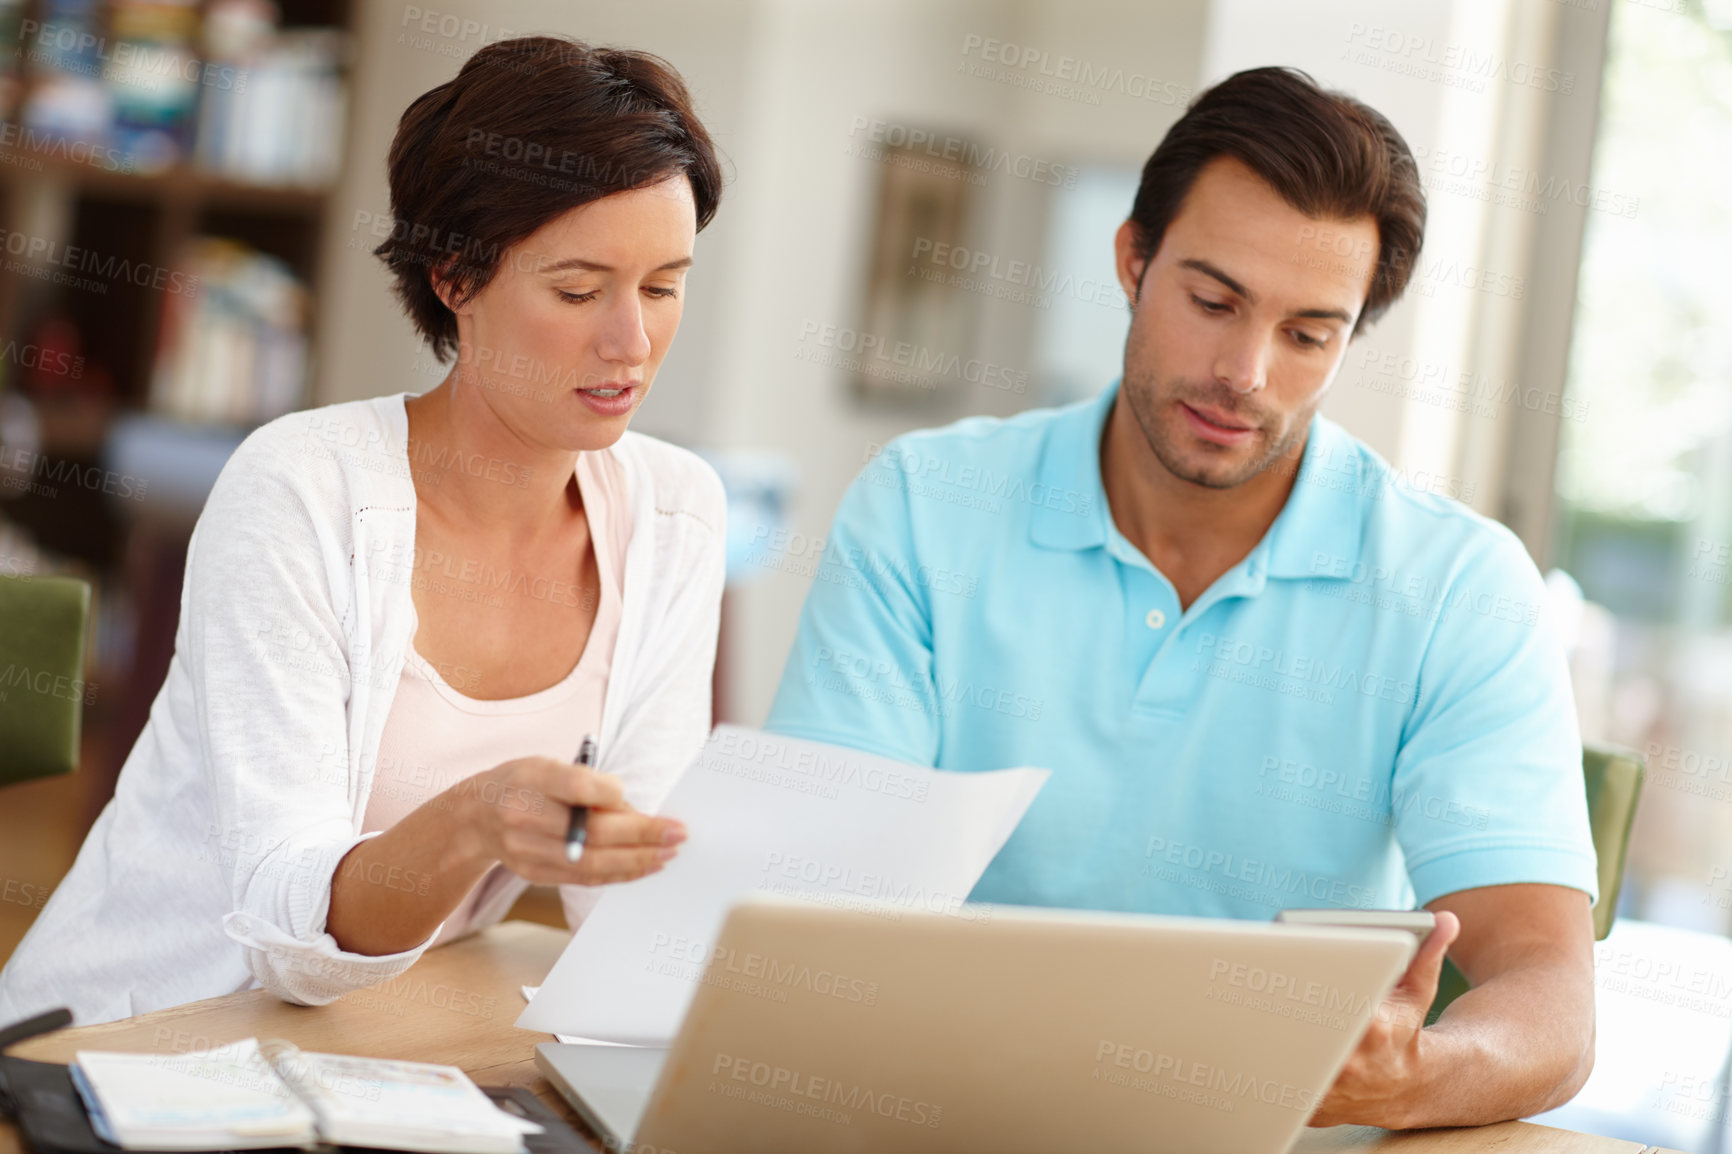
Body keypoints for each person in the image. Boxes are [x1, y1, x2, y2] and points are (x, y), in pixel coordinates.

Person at [766, 67, 1596, 1129]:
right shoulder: (926, 504)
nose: (1244, 370)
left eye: (1307, 334)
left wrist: (1416, 1072)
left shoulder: (1457, 586)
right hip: (945, 1114)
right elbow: (821, 893)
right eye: (1212, 302)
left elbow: (1548, 989)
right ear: (1131, 259)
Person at [0, 35, 726, 1026]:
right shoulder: (301, 487)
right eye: (576, 290)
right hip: (134, 1035)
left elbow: (626, 879)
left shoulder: (675, 512)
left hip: (374, 1037)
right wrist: (482, 818)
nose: (629, 344)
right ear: (454, 278)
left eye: (661, 286)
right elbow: (289, 931)